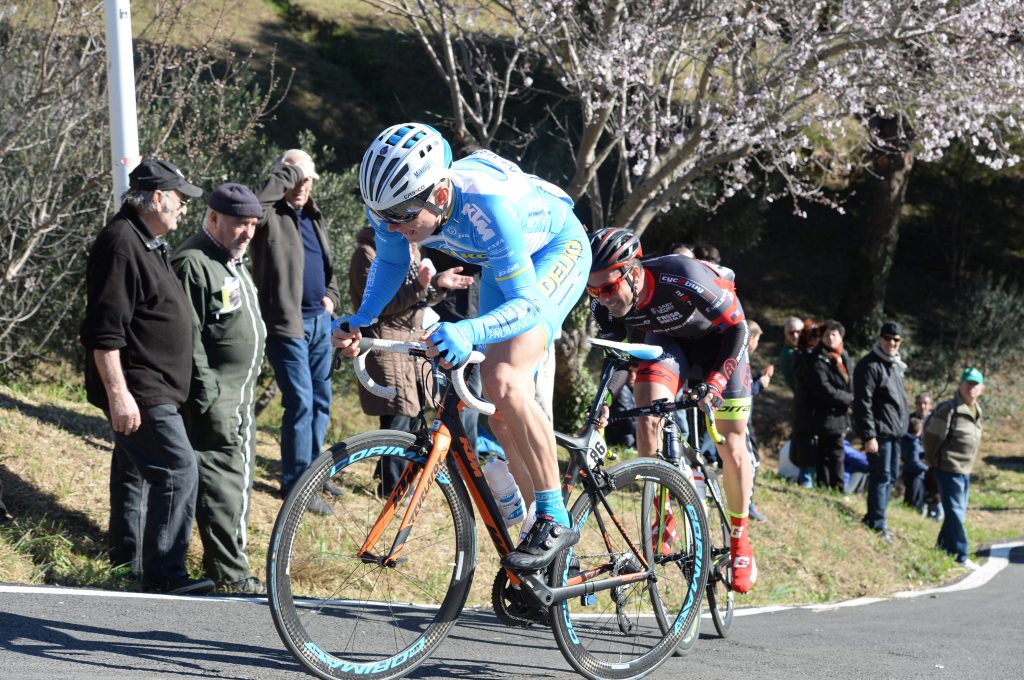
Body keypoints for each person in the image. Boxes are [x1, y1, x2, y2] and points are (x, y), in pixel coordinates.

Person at [334, 123, 591, 572]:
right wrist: (361, 318)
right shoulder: (393, 203)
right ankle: (542, 535)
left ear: (437, 195)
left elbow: (528, 305)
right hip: (501, 261)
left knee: (506, 379)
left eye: (402, 218)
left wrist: (469, 331)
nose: (392, 227)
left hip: (554, 249)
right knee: (494, 396)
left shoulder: (489, 206)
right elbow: (392, 261)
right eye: (383, 217)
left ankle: (554, 514)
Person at [587, 227, 758, 593]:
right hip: (670, 346)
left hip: (720, 344)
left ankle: (741, 538)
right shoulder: (606, 304)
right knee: (646, 404)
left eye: (606, 289)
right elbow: (618, 359)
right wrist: (601, 406)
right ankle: (662, 516)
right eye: (592, 290)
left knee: (731, 442)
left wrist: (714, 384)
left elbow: (738, 330)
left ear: (633, 274)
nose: (601, 299)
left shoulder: (682, 275)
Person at [79, 159, 213, 595]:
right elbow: (104, 329)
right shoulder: (120, 243)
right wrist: (119, 395)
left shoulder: (146, 240)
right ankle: (164, 575)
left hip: (155, 386)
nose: (184, 209)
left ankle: (127, 565)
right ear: (157, 197)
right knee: (178, 469)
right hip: (140, 387)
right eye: (179, 199)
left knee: (137, 471)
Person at [171, 183, 267, 595]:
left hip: (241, 397)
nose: (247, 232)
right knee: (222, 485)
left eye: (252, 225)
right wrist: (208, 397)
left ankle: (231, 568)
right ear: (212, 219)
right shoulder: (194, 263)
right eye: (238, 224)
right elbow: (187, 340)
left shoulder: (232, 261)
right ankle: (230, 575)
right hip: (218, 397)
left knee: (238, 482)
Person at [348, 226, 472, 495]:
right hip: (386, 346)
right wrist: (421, 286)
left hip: (408, 348)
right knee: (398, 419)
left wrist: (437, 284)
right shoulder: (367, 255)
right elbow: (380, 305)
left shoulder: (411, 251)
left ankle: (388, 478)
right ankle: (392, 488)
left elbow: (415, 301)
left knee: (410, 419)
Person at [252, 149, 342, 513]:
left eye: (307, 180)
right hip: (285, 324)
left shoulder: (313, 215)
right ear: (283, 177)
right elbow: (251, 208)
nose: (302, 186)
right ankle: (295, 487)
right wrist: (288, 174)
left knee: (321, 399)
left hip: (319, 321)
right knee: (301, 402)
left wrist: (331, 297)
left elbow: (327, 264)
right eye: (295, 179)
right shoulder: (269, 213)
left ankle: (313, 473)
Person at [922, 368, 985, 570]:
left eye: (975, 385)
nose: (971, 388)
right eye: (968, 383)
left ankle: (942, 547)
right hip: (948, 468)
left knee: (955, 512)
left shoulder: (976, 411)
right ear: (961, 385)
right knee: (956, 512)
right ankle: (960, 553)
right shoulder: (949, 409)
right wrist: (932, 460)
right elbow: (932, 438)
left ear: (981, 388)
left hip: (964, 470)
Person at [853, 320, 910, 544]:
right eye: (887, 338)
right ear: (880, 339)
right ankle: (877, 522)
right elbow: (862, 403)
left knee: (891, 477)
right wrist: (869, 436)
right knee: (881, 476)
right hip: (880, 434)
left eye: (896, 340)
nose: (892, 343)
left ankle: (875, 517)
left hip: (895, 433)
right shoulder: (870, 365)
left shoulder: (894, 365)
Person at [802, 320, 853, 491]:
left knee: (835, 452)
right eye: (827, 335)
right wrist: (848, 398)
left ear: (841, 337)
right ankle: (832, 486)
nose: (830, 338)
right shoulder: (818, 358)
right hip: (824, 413)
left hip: (840, 413)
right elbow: (824, 388)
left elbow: (850, 381)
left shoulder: (843, 357)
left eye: (834, 335)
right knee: (828, 452)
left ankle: (833, 486)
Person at [745, 321, 772, 522]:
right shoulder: (741, 357)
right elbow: (743, 391)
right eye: (757, 340)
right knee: (752, 462)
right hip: (741, 420)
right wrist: (760, 384)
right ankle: (746, 504)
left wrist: (757, 378)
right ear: (751, 338)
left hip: (737, 418)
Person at [790, 320, 822, 488]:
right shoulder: (807, 357)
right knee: (807, 444)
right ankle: (806, 481)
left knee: (808, 444)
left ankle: (808, 479)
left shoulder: (801, 355)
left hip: (805, 406)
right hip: (807, 408)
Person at [901, 416, 928, 512]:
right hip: (915, 474)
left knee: (909, 495)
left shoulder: (905, 441)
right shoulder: (914, 443)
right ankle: (909, 512)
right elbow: (914, 461)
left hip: (907, 472)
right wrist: (926, 469)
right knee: (914, 498)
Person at [779, 316, 805, 392]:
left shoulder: (801, 348)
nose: (795, 336)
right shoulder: (789, 354)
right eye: (791, 333)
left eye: (798, 331)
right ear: (785, 334)